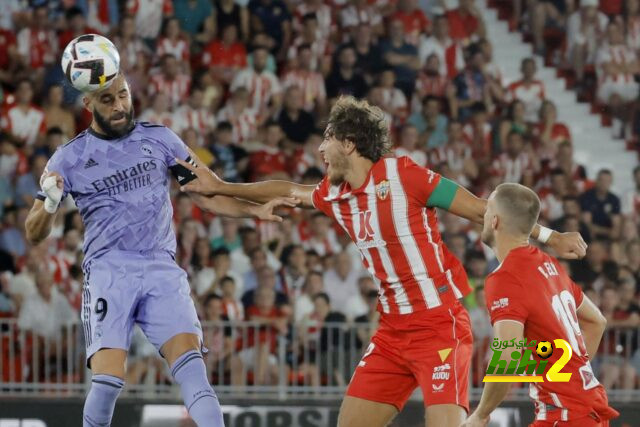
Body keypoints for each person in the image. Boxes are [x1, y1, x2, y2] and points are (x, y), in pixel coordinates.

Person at [178, 96, 586, 426]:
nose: (319, 148)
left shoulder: (404, 176)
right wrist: (221, 186)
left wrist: (551, 237)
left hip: (439, 325)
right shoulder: (333, 194)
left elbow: (485, 210)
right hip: (391, 333)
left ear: (349, 144)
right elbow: (290, 189)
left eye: (327, 139)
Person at [23, 73, 294, 427]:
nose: (120, 106)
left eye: (123, 95)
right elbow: (33, 233)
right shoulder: (67, 158)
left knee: (195, 373)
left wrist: (252, 209)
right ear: (88, 104)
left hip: (161, 268)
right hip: (108, 271)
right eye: (108, 100)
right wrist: (50, 204)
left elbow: (206, 193)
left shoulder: (160, 139)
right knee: (107, 383)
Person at [462, 183, 618, 427]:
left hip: (564, 415)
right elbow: (596, 322)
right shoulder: (549, 264)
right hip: (589, 406)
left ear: (494, 221)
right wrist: (560, 370)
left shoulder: (505, 278)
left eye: (488, 208)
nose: (483, 214)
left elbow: (508, 355)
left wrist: (480, 414)